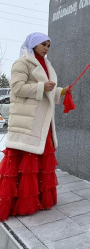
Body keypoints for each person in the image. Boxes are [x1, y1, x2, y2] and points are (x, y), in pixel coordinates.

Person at [0, 33, 70, 221]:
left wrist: (60, 91)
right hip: (27, 120)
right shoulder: (21, 63)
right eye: (43, 44)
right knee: (25, 161)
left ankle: (38, 198)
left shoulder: (46, 65)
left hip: (42, 121)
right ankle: (20, 202)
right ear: (33, 44)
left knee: (38, 159)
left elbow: (45, 89)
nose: (47, 47)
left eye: (49, 44)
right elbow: (17, 88)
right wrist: (42, 87)